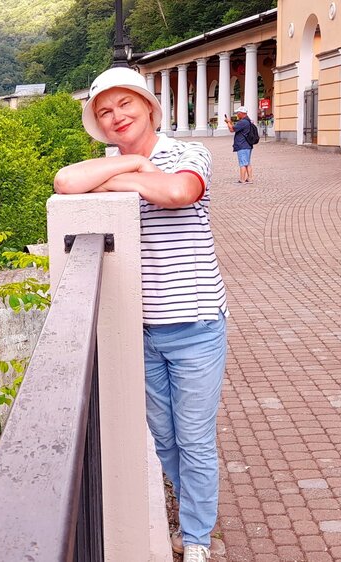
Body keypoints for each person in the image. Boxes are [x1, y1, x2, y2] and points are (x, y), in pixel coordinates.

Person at [53, 67, 229, 562]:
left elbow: (178, 193)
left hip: (195, 322)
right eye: (105, 111)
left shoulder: (189, 153)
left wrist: (120, 179)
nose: (117, 116)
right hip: (142, 326)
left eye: (125, 104)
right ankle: (193, 504)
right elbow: (65, 182)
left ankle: (197, 539)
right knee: (165, 437)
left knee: (194, 438)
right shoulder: (113, 163)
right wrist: (133, 166)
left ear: (149, 107)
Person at [224, 106, 254, 183]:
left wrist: (228, 122)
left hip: (242, 145)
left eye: (238, 113)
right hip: (248, 145)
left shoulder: (242, 122)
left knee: (243, 163)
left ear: (241, 113)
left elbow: (232, 129)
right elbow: (235, 127)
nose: (237, 114)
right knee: (247, 162)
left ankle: (242, 179)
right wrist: (230, 123)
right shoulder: (248, 121)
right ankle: (250, 178)